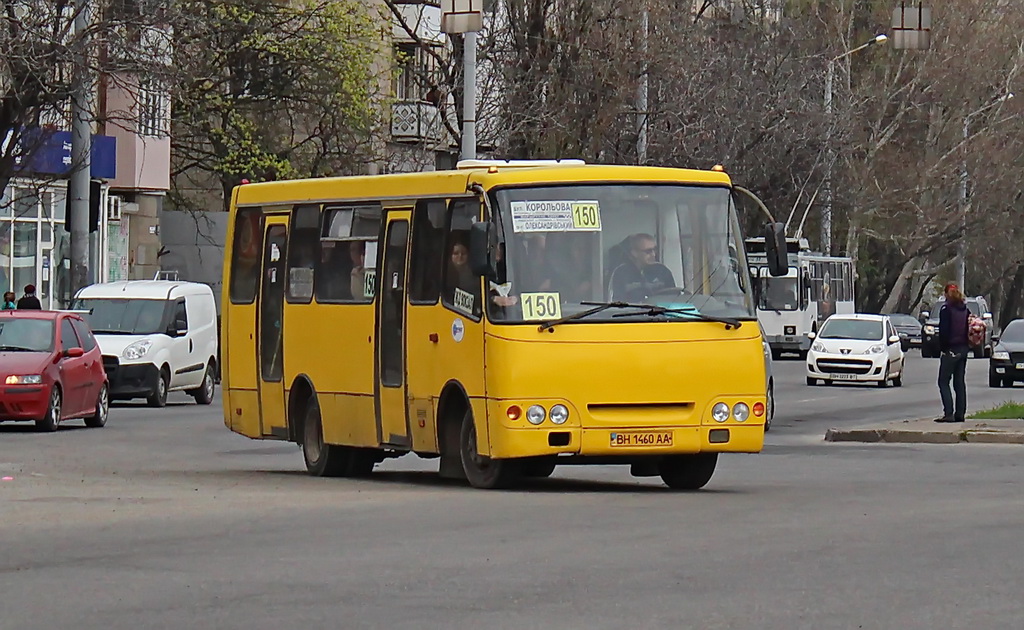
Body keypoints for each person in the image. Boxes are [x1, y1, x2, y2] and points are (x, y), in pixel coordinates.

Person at [936, 283, 970, 423]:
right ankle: (960, 413)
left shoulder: (946, 309)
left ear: (946, 294)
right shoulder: (965, 309)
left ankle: (948, 413)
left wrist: (943, 348)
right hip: (963, 349)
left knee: (943, 381)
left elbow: (944, 331)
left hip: (951, 349)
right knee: (959, 382)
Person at [608, 233, 676, 302]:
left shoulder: (663, 271)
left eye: (654, 250)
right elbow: (616, 302)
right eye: (648, 251)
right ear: (634, 253)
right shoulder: (620, 273)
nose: (653, 254)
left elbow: (674, 297)